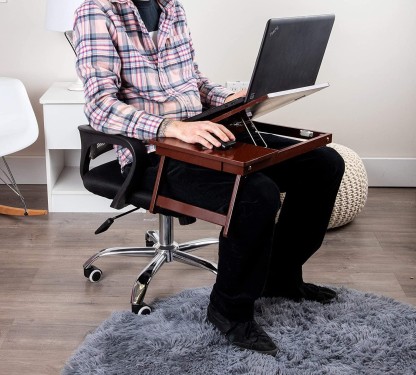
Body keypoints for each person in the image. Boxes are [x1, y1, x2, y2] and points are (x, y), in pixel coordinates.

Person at [73, 0, 345, 356]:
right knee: (254, 192)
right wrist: (172, 127)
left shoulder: (172, 8)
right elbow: (99, 105)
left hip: (201, 130)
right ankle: (228, 310)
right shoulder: (96, 12)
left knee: (323, 163)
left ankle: (280, 276)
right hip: (152, 151)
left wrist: (233, 98)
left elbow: (193, 82)